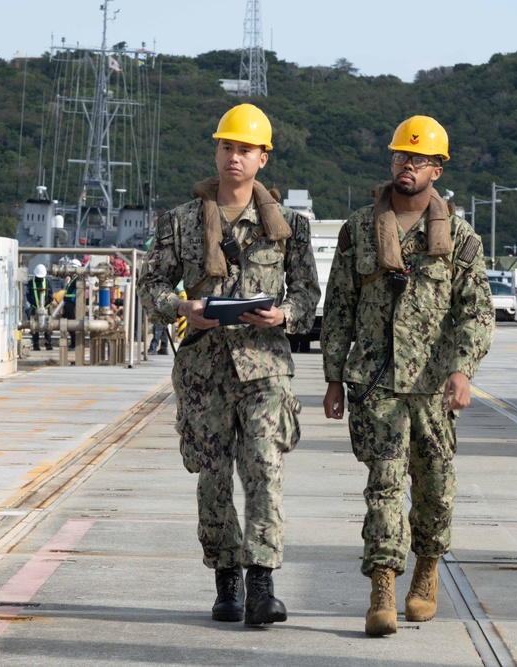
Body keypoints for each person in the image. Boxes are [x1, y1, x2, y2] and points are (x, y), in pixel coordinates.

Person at [137, 103, 320, 626]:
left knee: (264, 469)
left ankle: (262, 584)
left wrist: (283, 314)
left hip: (265, 367)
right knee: (213, 478)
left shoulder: (289, 227)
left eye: (245, 149)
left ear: (263, 158)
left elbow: (307, 292)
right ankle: (226, 583)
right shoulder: (180, 221)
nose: (234, 157)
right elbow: (151, 284)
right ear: (216, 152)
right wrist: (182, 308)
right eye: (227, 147)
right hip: (204, 371)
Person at [319, 115, 495, 636]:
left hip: (435, 389)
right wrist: (333, 378)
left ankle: (426, 569)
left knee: (436, 490)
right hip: (375, 383)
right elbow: (339, 308)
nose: (407, 165)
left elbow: (477, 312)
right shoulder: (358, 230)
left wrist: (463, 370)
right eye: (400, 157)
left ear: (438, 169)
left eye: (418, 159)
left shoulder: (460, 239)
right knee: (384, 486)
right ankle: (382, 588)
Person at [26, 263, 52, 351]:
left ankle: (48, 343)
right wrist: (34, 304)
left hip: (46, 308)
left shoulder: (47, 282)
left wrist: (45, 304)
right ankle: (36, 344)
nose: (40, 278)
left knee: (48, 325)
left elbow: (51, 296)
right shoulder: (31, 283)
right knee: (34, 326)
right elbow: (28, 295)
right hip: (34, 307)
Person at [62, 258, 82, 348]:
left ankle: (74, 343)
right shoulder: (72, 278)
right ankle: (72, 342)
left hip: (72, 304)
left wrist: (73, 302)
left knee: (73, 324)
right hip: (68, 303)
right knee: (68, 324)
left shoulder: (78, 278)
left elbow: (75, 292)